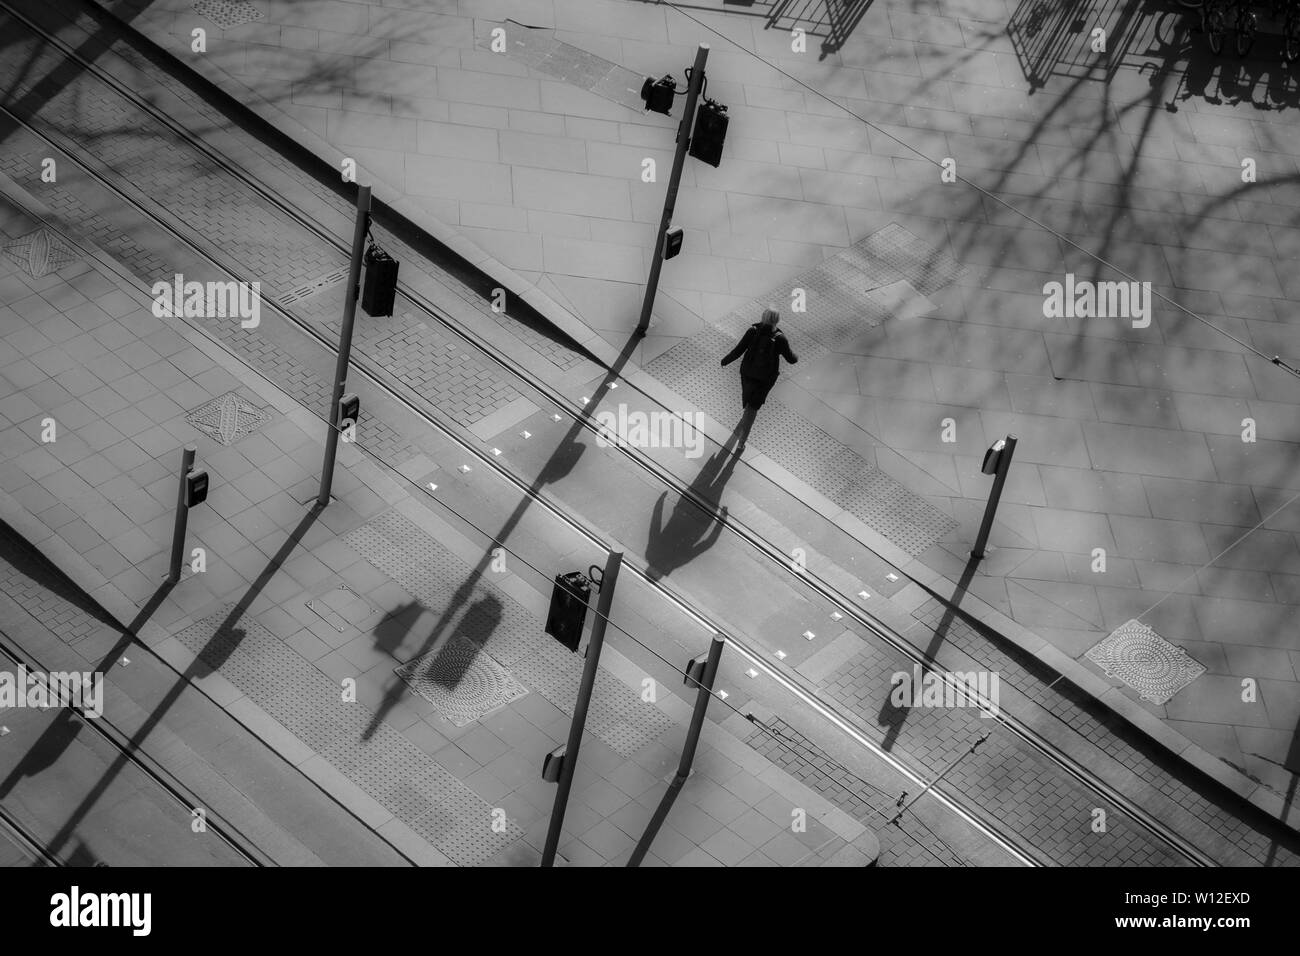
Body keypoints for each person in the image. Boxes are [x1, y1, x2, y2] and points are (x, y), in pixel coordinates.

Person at [720, 307, 797, 451]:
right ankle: (741, 442)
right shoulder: (780, 338)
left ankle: (744, 418)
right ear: (777, 320)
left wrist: (725, 360)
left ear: (763, 317)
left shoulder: (753, 331)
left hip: (747, 373)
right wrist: (795, 355)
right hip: (765, 379)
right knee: (753, 408)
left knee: (748, 400)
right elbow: (792, 359)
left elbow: (739, 350)